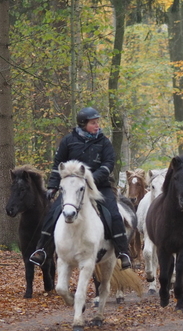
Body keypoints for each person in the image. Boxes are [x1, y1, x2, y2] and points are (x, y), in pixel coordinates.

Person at [29, 107, 132, 269]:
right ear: (83, 124)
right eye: (93, 123)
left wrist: (91, 179)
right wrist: (53, 187)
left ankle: (123, 252)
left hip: (100, 186)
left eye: (97, 122)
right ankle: (41, 249)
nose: (97, 125)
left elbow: (108, 164)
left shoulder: (104, 142)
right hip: (72, 189)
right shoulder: (68, 141)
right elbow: (58, 165)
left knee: (114, 214)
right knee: (53, 213)